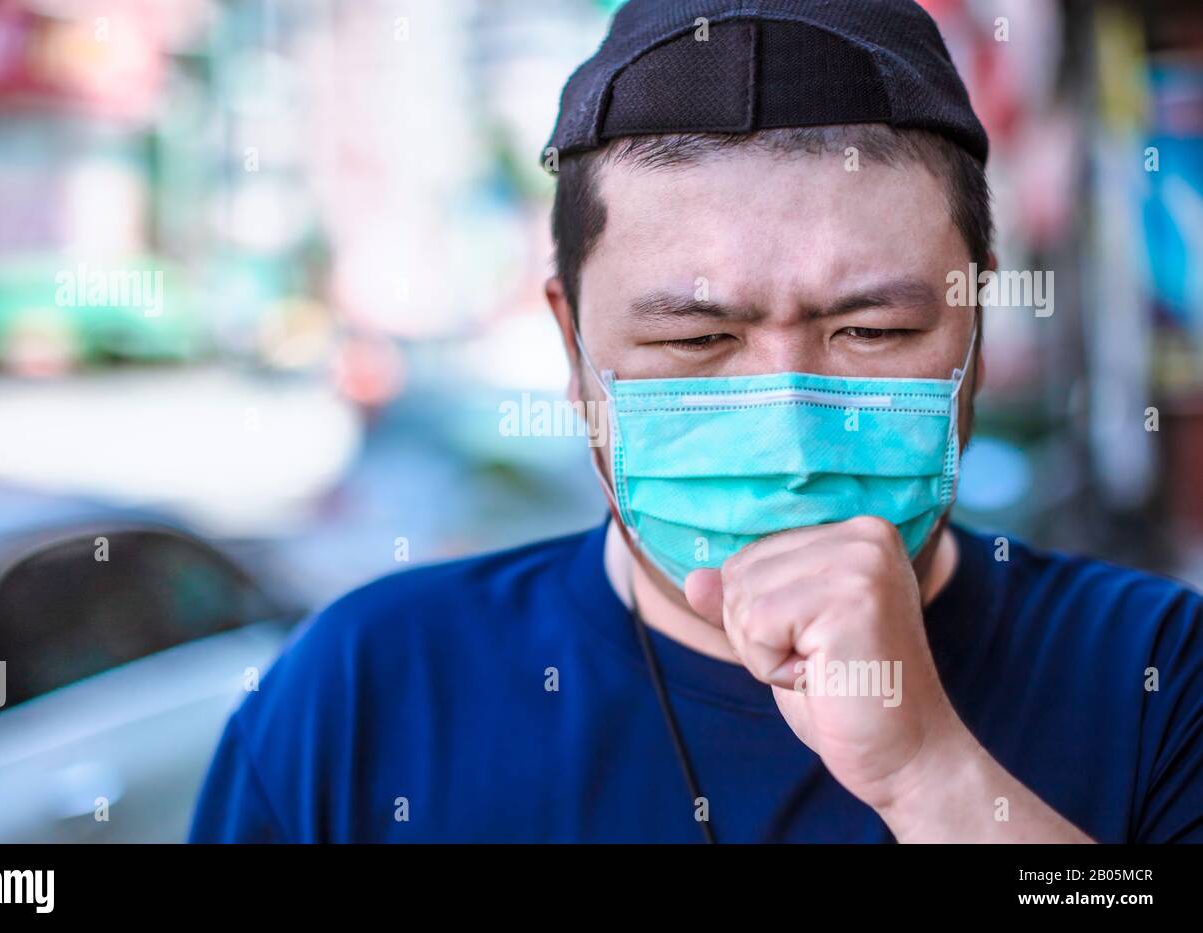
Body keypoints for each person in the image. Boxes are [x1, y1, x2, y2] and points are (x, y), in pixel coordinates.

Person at [189, 0, 1203, 843]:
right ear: (572, 344)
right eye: (694, 341)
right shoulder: (364, 691)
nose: (789, 425)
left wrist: (930, 777)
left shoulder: (1158, 673)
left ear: (973, 322)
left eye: (870, 328)